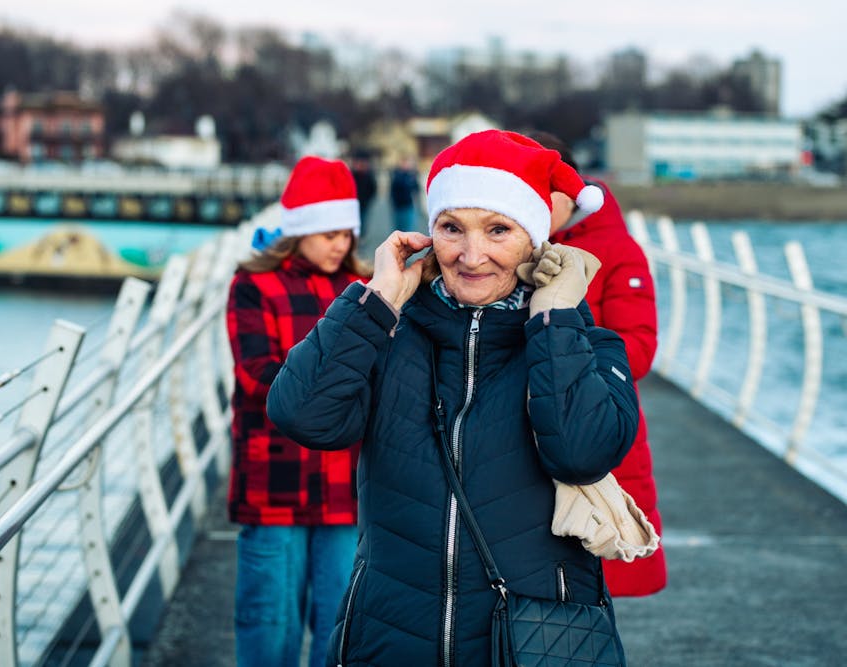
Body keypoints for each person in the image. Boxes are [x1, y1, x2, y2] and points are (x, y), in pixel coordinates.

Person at [266, 130, 641, 666]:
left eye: (498, 230)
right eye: (451, 228)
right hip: (391, 636)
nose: (471, 254)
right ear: (429, 233)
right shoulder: (391, 333)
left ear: (535, 240)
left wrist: (555, 320)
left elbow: (582, 452)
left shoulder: (586, 345)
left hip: (525, 645)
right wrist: (377, 300)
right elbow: (304, 416)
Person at [226, 155, 370, 667]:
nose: (341, 244)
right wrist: (339, 397)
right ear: (300, 228)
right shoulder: (253, 284)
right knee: (269, 618)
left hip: (343, 480)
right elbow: (256, 375)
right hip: (274, 476)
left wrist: (321, 397)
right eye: (329, 232)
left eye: (347, 233)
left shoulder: (361, 289)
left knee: (342, 619)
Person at [528, 130, 667, 597]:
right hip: (528, 435)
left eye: (542, 191)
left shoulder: (615, 249)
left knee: (591, 585)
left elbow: (639, 348)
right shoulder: (515, 247)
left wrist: (563, 358)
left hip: (594, 427)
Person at [388, 156, 420, 232]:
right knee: (399, 227)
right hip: (398, 206)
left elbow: (416, 189)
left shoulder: (412, 175)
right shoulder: (397, 175)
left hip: (408, 205)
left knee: (408, 227)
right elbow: (393, 190)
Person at [349, 150, 377, 228]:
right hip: (353, 206)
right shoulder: (352, 175)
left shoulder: (368, 176)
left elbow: (372, 189)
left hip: (364, 205)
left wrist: (367, 200)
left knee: (362, 224)